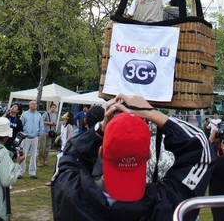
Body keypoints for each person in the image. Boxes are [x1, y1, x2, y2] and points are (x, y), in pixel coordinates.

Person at [52, 93, 214, 221]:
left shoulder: (70, 195)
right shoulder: (166, 206)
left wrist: (101, 128)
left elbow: (70, 153)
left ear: (101, 152)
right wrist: (152, 113)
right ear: (149, 154)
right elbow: (200, 149)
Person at [18, 100, 44, 179]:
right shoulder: (24, 114)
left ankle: (32, 172)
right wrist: (22, 134)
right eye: (32, 104)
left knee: (34, 155)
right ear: (29, 105)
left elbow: (41, 125)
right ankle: (20, 172)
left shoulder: (39, 115)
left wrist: (39, 133)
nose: (34, 105)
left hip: (35, 137)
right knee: (23, 155)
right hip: (26, 137)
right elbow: (21, 124)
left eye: (35, 104)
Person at [38, 103, 58, 167]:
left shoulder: (55, 115)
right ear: (50, 107)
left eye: (55, 107)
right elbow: (41, 121)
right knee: (42, 146)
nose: (54, 109)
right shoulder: (46, 114)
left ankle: (45, 160)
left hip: (50, 132)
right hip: (44, 132)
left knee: (48, 147)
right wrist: (50, 123)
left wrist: (54, 124)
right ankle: (39, 160)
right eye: (53, 107)